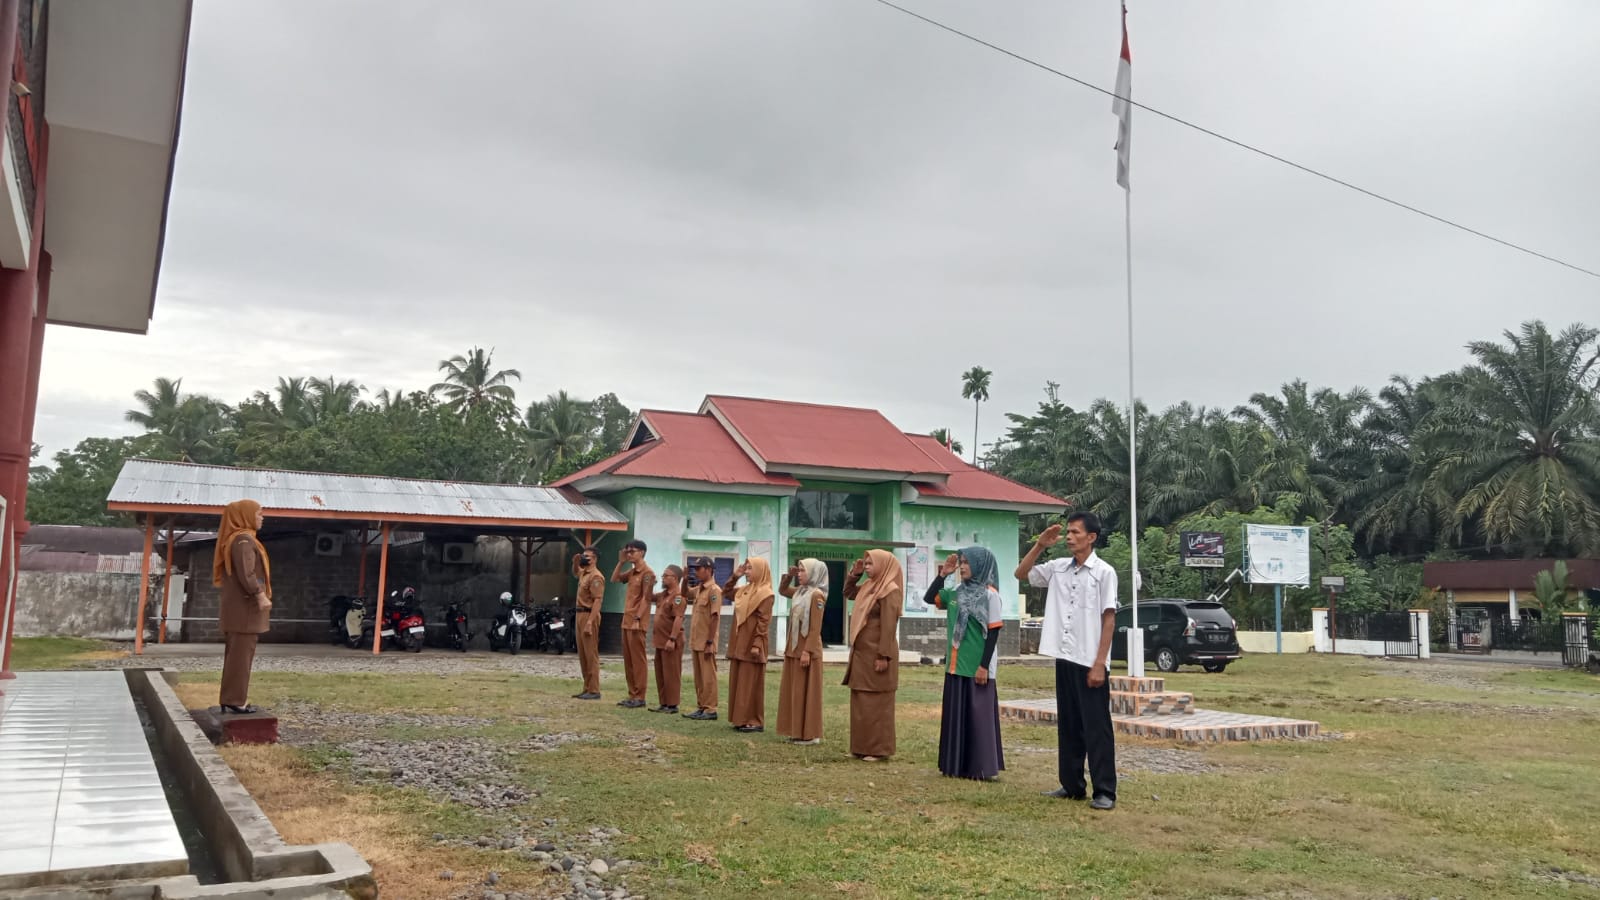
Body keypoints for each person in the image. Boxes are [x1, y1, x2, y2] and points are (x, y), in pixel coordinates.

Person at [1016, 513, 1119, 810]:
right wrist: (1039, 546)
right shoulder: (1058, 568)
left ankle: (1105, 790)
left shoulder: (1104, 572)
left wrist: (1100, 662)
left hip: (1090, 659)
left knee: (1096, 726)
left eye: (1075, 532)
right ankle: (1072, 785)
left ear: (1091, 537)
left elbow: (1109, 618)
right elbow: (1021, 574)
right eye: (1068, 532)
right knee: (1070, 724)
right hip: (1064, 655)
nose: (1069, 537)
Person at [929, 547, 1006, 780]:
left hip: (976, 667)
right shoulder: (955, 592)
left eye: (967, 563)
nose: (962, 567)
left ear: (981, 566)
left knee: (978, 719)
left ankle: (981, 767)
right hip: (955, 665)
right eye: (961, 562)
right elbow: (929, 598)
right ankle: (955, 765)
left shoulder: (990, 595)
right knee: (956, 718)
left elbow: (993, 633)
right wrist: (943, 575)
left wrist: (983, 666)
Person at [841, 549, 902, 761]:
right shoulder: (869, 586)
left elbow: (888, 626)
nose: (866, 566)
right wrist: (854, 575)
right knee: (861, 700)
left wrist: (883, 656)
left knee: (877, 703)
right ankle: (860, 746)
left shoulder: (889, 590)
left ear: (883, 565)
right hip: (861, 654)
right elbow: (848, 593)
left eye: (869, 564)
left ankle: (877, 749)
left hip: (877, 654)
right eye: (865, 563)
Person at [214, 499, 272, 715]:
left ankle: (231, 697)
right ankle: (235, 700)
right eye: (258, 513)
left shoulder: (237, 540)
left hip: (239, 611)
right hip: (244, 611)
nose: (262, 517)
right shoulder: (244, 541)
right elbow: (248, 575)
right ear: (245, 516)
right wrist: (260, 595)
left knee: (237, 655)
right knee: (241, 656)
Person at [776, 558, 829, 745]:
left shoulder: (816, 595)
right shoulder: (800, 591)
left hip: (807, 649)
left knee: (808, 692)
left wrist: (807, 651)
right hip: (794, 647)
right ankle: (796, 730)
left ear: (814, 573)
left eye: (802, 571)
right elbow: (782, 591)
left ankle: (810, 733)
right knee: (795, 691)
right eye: (798, 570)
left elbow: (815, 627)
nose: (799, 573)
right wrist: (788, 577)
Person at [725, 558, 774, 733]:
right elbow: (726, 592)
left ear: (760, 570)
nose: (746, 572)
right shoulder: (744, 590)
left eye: (750, 569)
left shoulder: (766, 593)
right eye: (745, 569)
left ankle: (754, 720)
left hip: (753, 644)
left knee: (751, 683)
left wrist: (757, 644)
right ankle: (740, 719)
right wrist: (734, 577)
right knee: (739, 681)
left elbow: (764, 622)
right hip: (740, 642)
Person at [611, 539, 656, 709]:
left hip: (637, 621)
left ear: (642, 552)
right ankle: (632, 694)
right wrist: (621, 562)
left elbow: (646, 599)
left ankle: (640, 696)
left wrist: (637, 618)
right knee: (628, 660)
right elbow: (614, 579)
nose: (629, 554)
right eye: (627, 551)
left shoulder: (647, 574)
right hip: (626, 620)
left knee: (638, 660)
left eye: (632, 551)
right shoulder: (632, 572)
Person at [683, 557, 723, 721]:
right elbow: (684, 593)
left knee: (708, 677)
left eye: (699, 568)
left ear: (708, 569)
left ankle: (710, 709)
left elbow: (715, 617)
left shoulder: (714, 590)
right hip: (696, 641)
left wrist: (709, 642)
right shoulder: (700, 589)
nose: (696, 571)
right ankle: (701, 706)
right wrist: (685, 579)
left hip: (706, 641)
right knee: (699, 677)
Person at [650, 565, 687, 714]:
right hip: (660, 640)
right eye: (663, 575)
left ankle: (672, 704)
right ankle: (663, 702)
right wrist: (649, 584)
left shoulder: (678, 597)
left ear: (675, 578)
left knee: (671, 673)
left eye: (666, 576)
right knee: (661, 672)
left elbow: (678, 618)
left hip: (671, 640)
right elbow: (648, 597)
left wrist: (672, 639)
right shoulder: (663, 595)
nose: (663, 578)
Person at [572, 546, 605, 700]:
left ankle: (594, 690)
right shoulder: (584, 574)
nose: (585, 558)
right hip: (579, 614)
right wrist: (575, 562)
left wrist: (590, 622)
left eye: (588, 557)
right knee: (583, 655)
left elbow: (598, 601)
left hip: (588, 614)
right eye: (584, 556)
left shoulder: (596, 577)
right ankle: (586, 687)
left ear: (595, 559)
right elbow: (575, 572)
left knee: (591, 654)